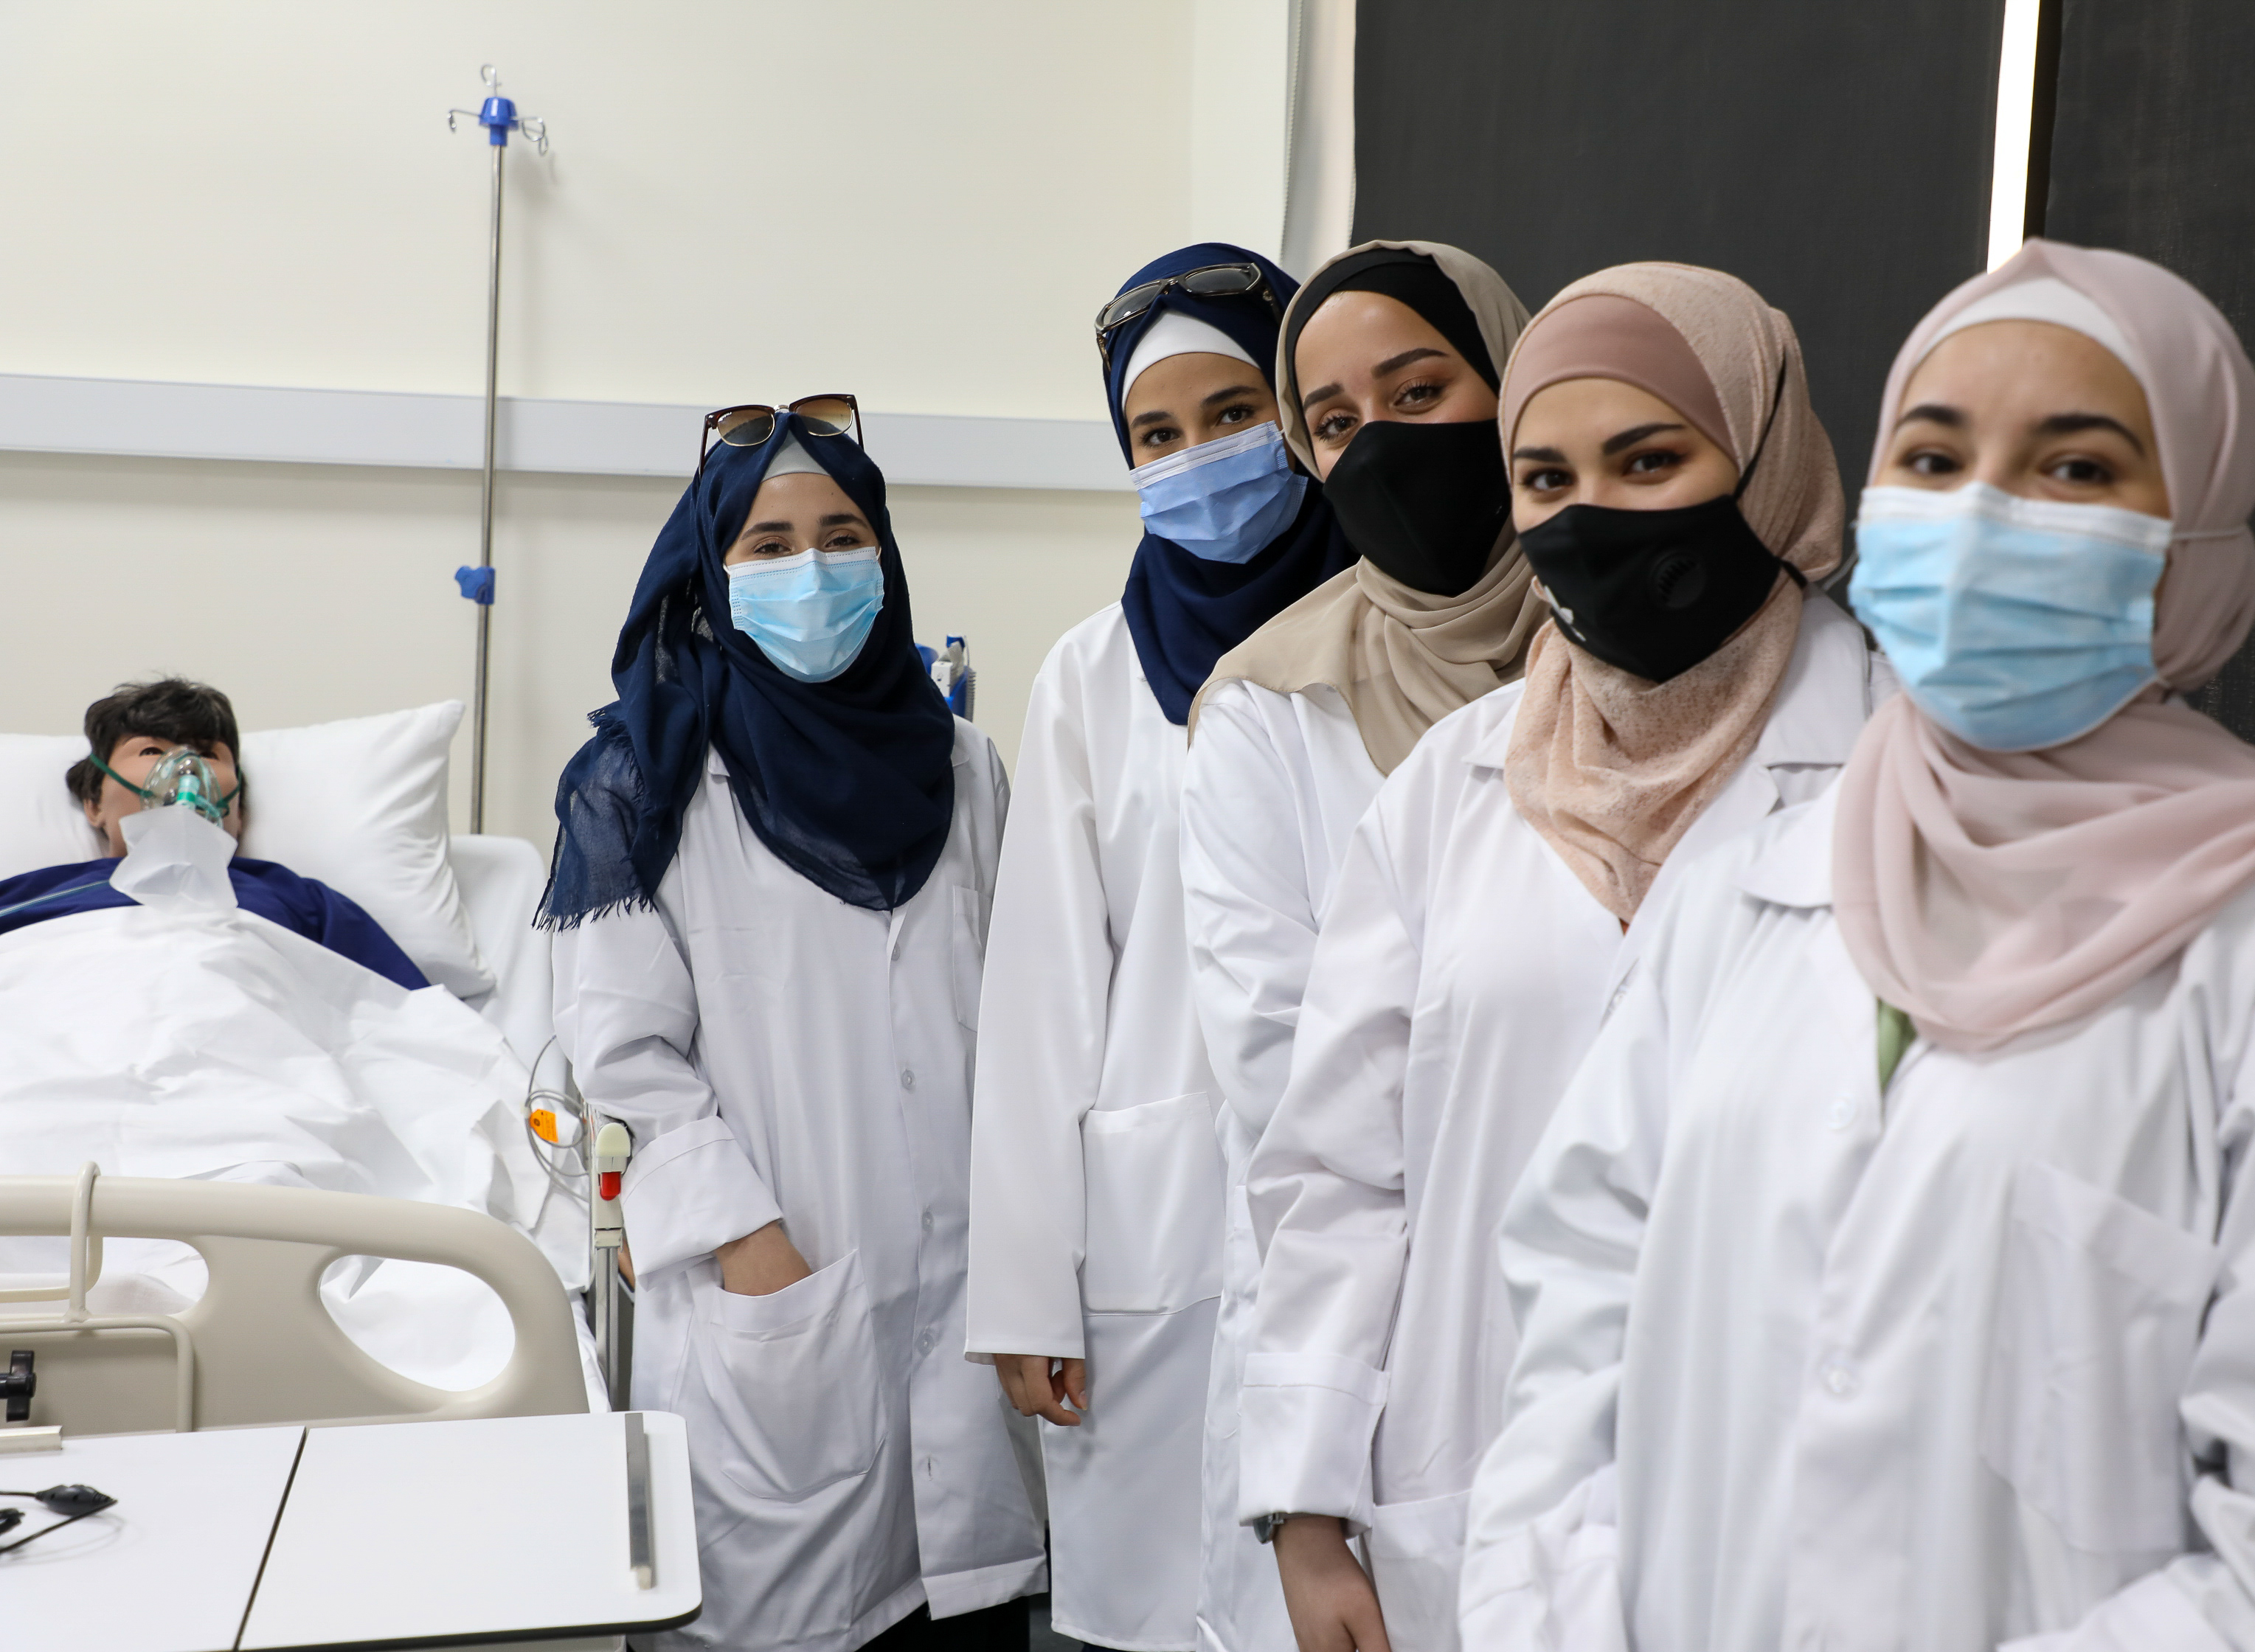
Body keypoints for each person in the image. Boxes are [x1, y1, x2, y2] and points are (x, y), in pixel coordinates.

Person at [1462, 241, 2255, 1652]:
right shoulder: (1757, 883)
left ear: (2197, 540)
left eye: (2074, 471)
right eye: (1935, 462)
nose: (1985, 514)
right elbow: (1570, 1341)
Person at [1241, 266, 1888, 1652]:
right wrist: (1306, 1509)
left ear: (1764, 466)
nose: (1588, 513)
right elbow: (1341, 1173)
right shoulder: (1452, 785)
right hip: (1463, 1500)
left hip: (1794, 1523)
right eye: (1545, 477)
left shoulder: (1901, 781)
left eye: (1649, 459)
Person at [547, 404, 1041, 1652]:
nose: (810, 569)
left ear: (888, 556)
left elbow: (1025, 1012)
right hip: (774, 1301)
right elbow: (621, 1061)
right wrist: (751, 1244)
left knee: (966, 1608)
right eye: (767, 546)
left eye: (842, 535)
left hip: (975, 1316)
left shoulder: (968, 763)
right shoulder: (644, 780)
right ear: (712, 572)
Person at [965, 243, 1349, 1652]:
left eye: (1235, 414)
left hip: (1367, 1206)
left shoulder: (1406, 630)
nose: (1199, 458)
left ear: (1302, 412)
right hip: (1155, 1226)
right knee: (1159, 1607)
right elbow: (1039, 997)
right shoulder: (1091, 674)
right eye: (1156, 435)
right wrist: (1023, 1281)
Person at [1176, 240, 1542, 1643]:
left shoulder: (1634, 672)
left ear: (1513, 387)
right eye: (1333, 422)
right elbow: (1294, 1102)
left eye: (1420, 387)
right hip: (1374, 1358)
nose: (1380, 442)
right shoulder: (1271, 705)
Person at [0, 676, 425, 988]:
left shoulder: (304, 903)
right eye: (151, 751)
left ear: (238, 814)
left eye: (206, 753)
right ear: (94, 805)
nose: (187, 769)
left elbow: (412, 1017)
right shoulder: (31, 896)